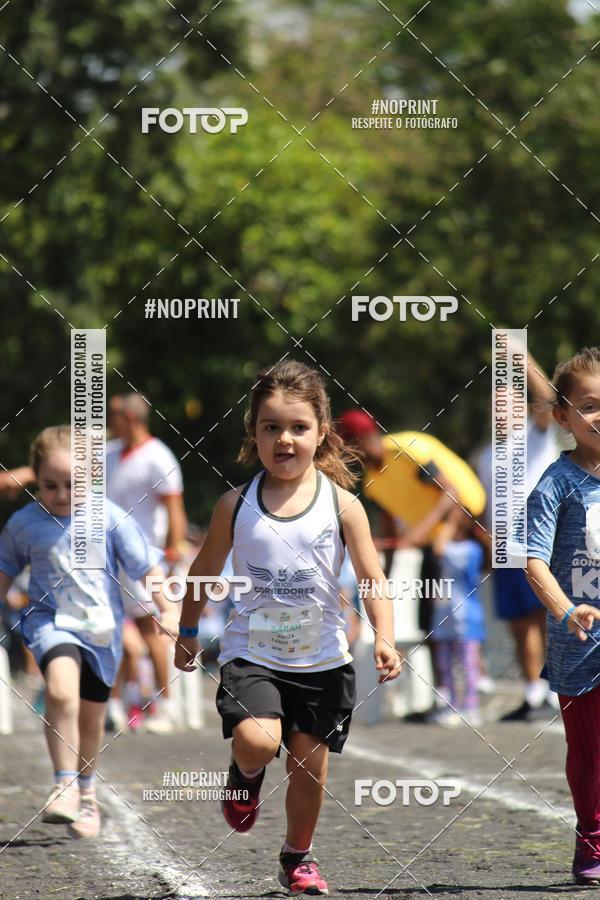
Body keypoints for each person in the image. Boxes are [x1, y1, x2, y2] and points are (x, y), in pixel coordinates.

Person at [174, 360, 402, 896]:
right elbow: (203, 570)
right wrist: (187, 629)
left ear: (321, 433)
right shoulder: (235, 505)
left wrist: (385, 636)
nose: (284, 439)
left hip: (323, 661)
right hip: (251, 654)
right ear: (253, 434)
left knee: (309, 769)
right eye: (271, 427)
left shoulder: (344, 506)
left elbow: (372, 577)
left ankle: (297, 857)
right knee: (257, 739)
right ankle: (245, 776)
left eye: (298, 428)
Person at [0, 426, 176, 839]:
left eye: (72, 485)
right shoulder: (23, 524)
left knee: (92, 722)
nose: (61, 495)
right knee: (60, 691)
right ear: (35, 478)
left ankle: (87, 793)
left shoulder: (111, 517)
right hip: (50, 621)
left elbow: (146, 566)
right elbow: (5, 568)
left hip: (101, 629)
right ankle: (63, 783)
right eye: (50, 485)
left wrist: (167, 608)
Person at [525, 347, 600, 886]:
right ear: (564, 417)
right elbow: (532, 559)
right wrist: (566, 609)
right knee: (590, 750)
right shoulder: (556, 483)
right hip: (580, 641)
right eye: (591, 404)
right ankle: (591, 839)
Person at [476, 344, 560, 721]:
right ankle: (533, 693)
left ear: (523, 409)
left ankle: (558, 690)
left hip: (541, 535)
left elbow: (548, 397)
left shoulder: (536, 435)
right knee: (517, 621)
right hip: (504, 543)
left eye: (508, 402)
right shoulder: (484, 455)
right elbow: (481, 507)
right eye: (496, 403)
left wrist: (522, 358)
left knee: (548, 614)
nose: (501, 408)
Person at [106, 393, 187, 733]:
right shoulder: (109, 454)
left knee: (151, 631)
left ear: (132, 418)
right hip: (110, 557)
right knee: (109, 629)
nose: (110, 423)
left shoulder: (158, 457)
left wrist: (172, 554)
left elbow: (174, 510)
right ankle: (115, 704)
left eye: (114, 416)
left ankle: (165, 704)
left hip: (145, 559)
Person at [429, 506, 486, 727]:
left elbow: (439, 548)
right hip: (444, 615)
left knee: (467, 663)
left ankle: (471, 707)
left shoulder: (471, 549)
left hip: (466, 617)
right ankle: (452, 705)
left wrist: (451, 521)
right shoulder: (455, 546)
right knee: (445, 663)